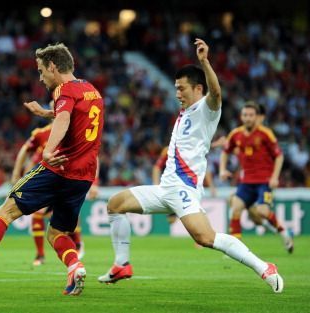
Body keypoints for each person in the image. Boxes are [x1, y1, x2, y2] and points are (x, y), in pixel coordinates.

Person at [98, 39, 284, 293]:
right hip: (167, 188)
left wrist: (205, 62)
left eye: (181, 88)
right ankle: (122, 265)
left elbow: (216, 94)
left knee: (206, 238)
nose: (177, 93)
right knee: (115, 204)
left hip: (184, 189)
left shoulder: (206, 110)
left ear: (198, 89)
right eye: (175, 88)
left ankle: (264, 267)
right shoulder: (185, 113)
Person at [0, 43, 104, 296]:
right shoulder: (91, 91)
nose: (40, 77)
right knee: (57, 232)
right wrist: (47, 112)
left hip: (57, 169)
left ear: (53, 66)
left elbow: (65, 118)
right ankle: (74, 266)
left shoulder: (63, 89)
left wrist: (48, 150)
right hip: (83, 177)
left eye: (41, 70)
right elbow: (74, 116)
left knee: (6, 211)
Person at [12, 118, 97, 266]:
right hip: (48, 180)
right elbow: (26, 152)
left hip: (69, 179)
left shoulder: (75, 130)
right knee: (38, 215)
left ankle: (77, 243)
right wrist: (17, 174)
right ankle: (40, 254)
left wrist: (95, 182)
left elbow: (93, 155)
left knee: (68, 214)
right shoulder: (41, 134)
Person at [219, 101, 294, 253]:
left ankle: (284, 233)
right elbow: (225, 152)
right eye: (245, 115)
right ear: (241, 116)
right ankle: (235, 248)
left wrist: (274, 177)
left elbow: (279, 157)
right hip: (246, 182)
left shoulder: (265, 134)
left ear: (257, 117)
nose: (248, 118)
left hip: (264, 182)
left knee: (262, 212)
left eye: (251, 115)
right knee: (236, 208)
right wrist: (222, 170)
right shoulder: (236, 134)